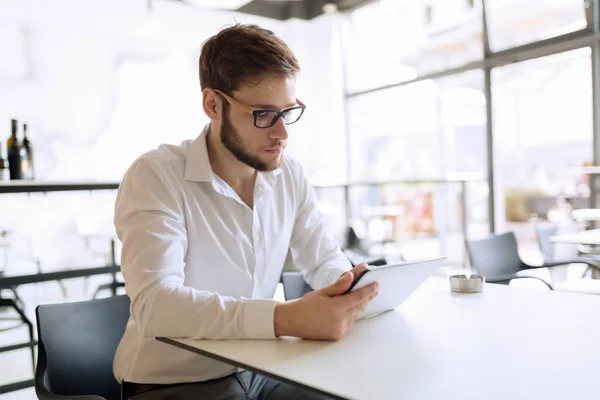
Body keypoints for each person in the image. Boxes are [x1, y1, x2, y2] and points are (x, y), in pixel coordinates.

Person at [113, 23, 379, 400]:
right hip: (172, 381)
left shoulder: (289, 174)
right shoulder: (156, 175)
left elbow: (323, 260)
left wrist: (347, 289)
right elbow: (156, 304)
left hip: (263, 367)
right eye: (264, 114)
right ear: (213, 104)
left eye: (288, 112)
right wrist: (284, 317)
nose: (282, 133)